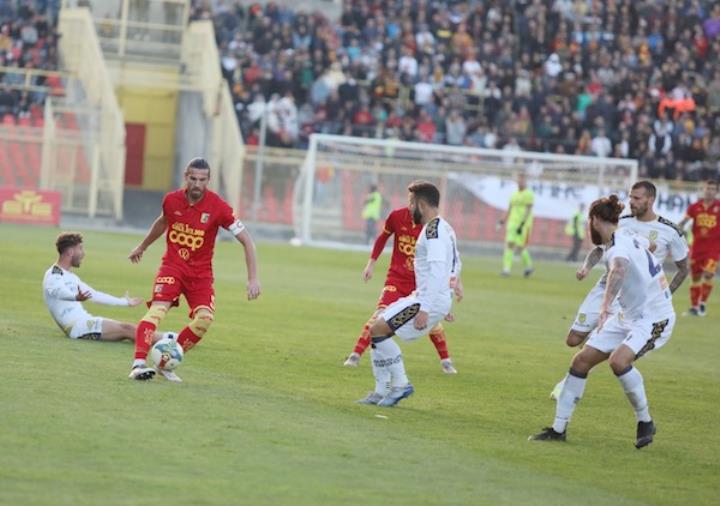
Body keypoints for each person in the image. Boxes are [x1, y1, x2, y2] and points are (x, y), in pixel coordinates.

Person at [530, 195, 675, 448]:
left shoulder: (619, 247)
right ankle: (558, 429)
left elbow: (618, 268)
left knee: (619, 361)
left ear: (595, 220)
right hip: (628, 314)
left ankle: (645, 421)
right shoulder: (624, 238)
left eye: (589, 221)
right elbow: (647, 249)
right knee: (581, 360)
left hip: (654, 316)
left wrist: (605, 305)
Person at [549, 181, 689, 399]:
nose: (631, 202)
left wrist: (666, 294)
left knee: (603, 344)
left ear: (650, 200)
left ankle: (568, 383)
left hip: (635, 299)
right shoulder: (619, 222)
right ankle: (588, 352)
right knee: (573, 339)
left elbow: (683, 268)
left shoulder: (670, 230)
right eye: (630, 197)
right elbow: (599, 250)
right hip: (606, 286)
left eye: (636, 198)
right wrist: (586, 267)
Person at [127, 157, 261, 382]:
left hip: (200, 275)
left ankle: (165, 360)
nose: (197, 184)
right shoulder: (171, 200)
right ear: (186, 177)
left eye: (202, 180)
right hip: (172, 267)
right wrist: (142, 246)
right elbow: (162, 222)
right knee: (157, 311)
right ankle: (138, 364)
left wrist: (253, 278)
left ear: (208, 180)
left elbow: (247, 240)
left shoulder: (219, 207)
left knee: (205, 320)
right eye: (193, 179)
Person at [357, 181, 462, 407]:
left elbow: (436, 271)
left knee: (378, 331)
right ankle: (380, 390)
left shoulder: (432, 232)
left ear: (421, 205)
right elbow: (456, 262)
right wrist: (451, 290)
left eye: (411, 202)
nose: (409, 207)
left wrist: (426, 308)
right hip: (426, 297)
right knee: (377, 326)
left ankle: (400, 384)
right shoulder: (445, 227)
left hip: (426, 300)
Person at [343, 198, 460, 374]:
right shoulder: (396, 217)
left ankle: (446, 362)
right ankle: (355, 355)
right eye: (410, 201)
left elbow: (448, 259)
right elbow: (382, 238)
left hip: (419, 285)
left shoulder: (431, 228)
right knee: (379, 316)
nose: (411, 206)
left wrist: (451, 286)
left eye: (415, 202)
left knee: (432, 324)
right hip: (396, 281)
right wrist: (371, 263)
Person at [43, 232, 164, 342]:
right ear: (70, 252)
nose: (83, 253)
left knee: (128, 329)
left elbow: (95, 295)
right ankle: (171, 339)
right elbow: (58, 291)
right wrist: (74, 297)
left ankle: (169, 338)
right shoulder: (54, 274)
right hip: (77, 328)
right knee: (127, 329)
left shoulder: (70, 276)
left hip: (84, 323)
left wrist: (125, 302)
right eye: (80, 248)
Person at [677, 180, 720, 316]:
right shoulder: (694, 207)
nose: (710, 191)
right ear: (703, 190)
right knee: (695, 278)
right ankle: (695, 307)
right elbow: (684, 220)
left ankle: (703, 303)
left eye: (713, 189)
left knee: (708, 273)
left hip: (714, 248)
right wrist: (678, 227)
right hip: (696, 248)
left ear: (717, 192)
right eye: (708, 188)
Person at [498, 173, 534, 277]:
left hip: (523, 225)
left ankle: (529, 266)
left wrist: (522, 223)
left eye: (522, 180)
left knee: (520, 247)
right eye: (518, 180)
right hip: (512, 223)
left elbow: (528, 209)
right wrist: (503, 220)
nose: (520, 182)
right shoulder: (514, 194)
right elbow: (509, 208)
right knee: (509, 244)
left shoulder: (528, 194)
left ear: (525, 181)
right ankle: (506, 269)